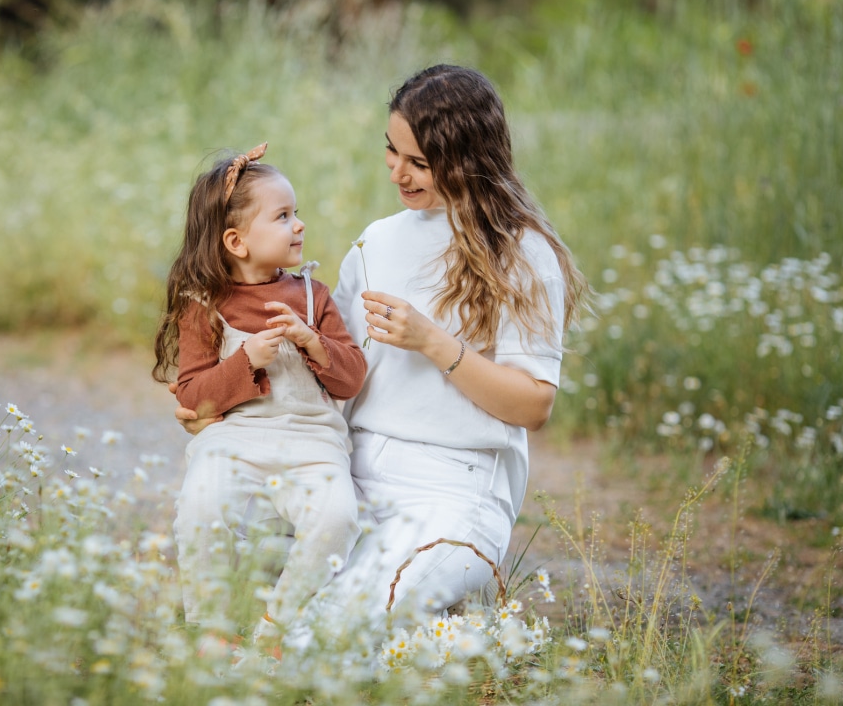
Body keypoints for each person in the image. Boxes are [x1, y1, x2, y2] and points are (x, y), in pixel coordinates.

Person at [176, 65, 587, 640]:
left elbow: (533, 407)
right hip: (352, 470)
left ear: (467, 160)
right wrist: (213, 400)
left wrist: (433, 342)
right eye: (391, 151)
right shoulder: (377, 241)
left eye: (418, 162)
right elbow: (327, 371)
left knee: (322, 634)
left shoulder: (523, 255)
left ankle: (477, 638)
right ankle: (419, 632)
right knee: (232, 581)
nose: (397, 171)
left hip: (453, 485)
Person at [153, 143, 367, 641]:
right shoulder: (204, 305)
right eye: (284, 216)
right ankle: (212, 630)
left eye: (298, 213)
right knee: (203, 506)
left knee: (337, 517)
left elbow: (353, 375)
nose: (300, 225)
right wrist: (245, 361)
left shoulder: (313, 296)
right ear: (237, 241)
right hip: (236, 440)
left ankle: (278, 626)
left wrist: (312, 340)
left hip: (313, 443)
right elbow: (192, 397)